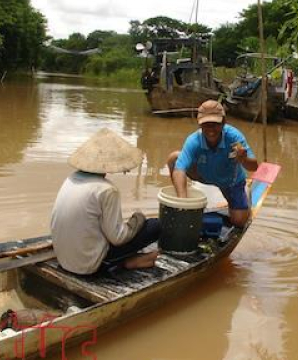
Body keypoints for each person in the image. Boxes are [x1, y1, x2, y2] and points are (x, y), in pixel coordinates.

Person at [51, 128, 160, 275]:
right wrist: (137, 220)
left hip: (63, 260)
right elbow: (118, 238)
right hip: (89, 266)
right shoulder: (107, 190)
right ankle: (125, 263)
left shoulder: (70, 179)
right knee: (155, 226)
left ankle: (129, 260)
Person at [167, 100, 258, 227]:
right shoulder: (194, 140)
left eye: (215, 124)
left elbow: (254, 167)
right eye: (206, 125)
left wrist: (244, 159)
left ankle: (245, 193)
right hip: (203, 175)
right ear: (199, 125)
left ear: (223, 122)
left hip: (229, 181)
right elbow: (179, 169)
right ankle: (184, 200)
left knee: (239, 221)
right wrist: (183, 203)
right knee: (174, 158)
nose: (211, 130)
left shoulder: (234, 137)